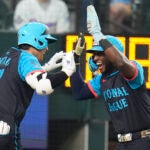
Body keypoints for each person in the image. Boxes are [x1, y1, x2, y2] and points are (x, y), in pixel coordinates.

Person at [70, 4, 150, 150]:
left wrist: (97, 34)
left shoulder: (132, 69)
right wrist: (75, 59)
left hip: (143, 140)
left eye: (100, 53)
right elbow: (79, 92)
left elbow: (120, 62)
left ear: (113, 53)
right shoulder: (102, 80)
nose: (95, 58)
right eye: (94, 54)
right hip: (122, 144)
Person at [0, 22, 75, 149]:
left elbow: (19, 78)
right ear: (37, 41)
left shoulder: (7, 57)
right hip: (5, 127)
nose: (47, 48)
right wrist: (66, 72)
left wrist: (44, 69)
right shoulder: (27, 58)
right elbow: (43, 87)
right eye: (45, 42)